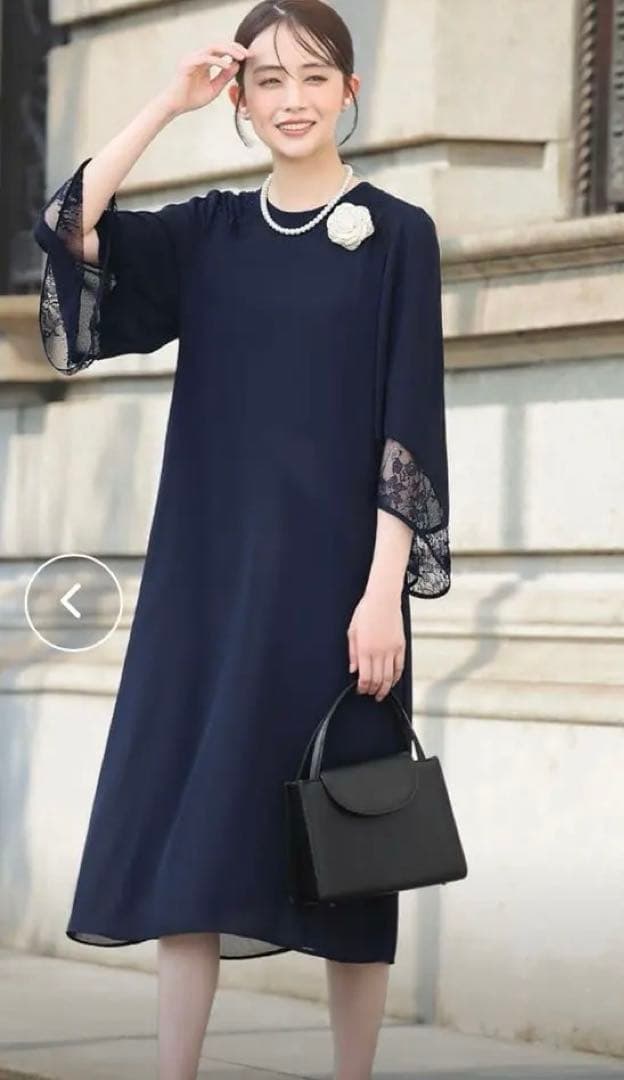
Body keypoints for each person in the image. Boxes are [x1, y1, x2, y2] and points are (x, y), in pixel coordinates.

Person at [32, 1, 452, 1077]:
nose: (291, 100)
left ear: (349, 92)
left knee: (355, 848)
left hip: (339, 589)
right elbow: (69, 226)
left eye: (313, 77)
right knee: (197, 846)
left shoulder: (397, 233)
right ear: (241, 99)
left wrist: (382, 593)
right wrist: (166, 103)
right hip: (208, 584)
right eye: (268, 80)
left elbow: (407, 423)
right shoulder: (209, 233)